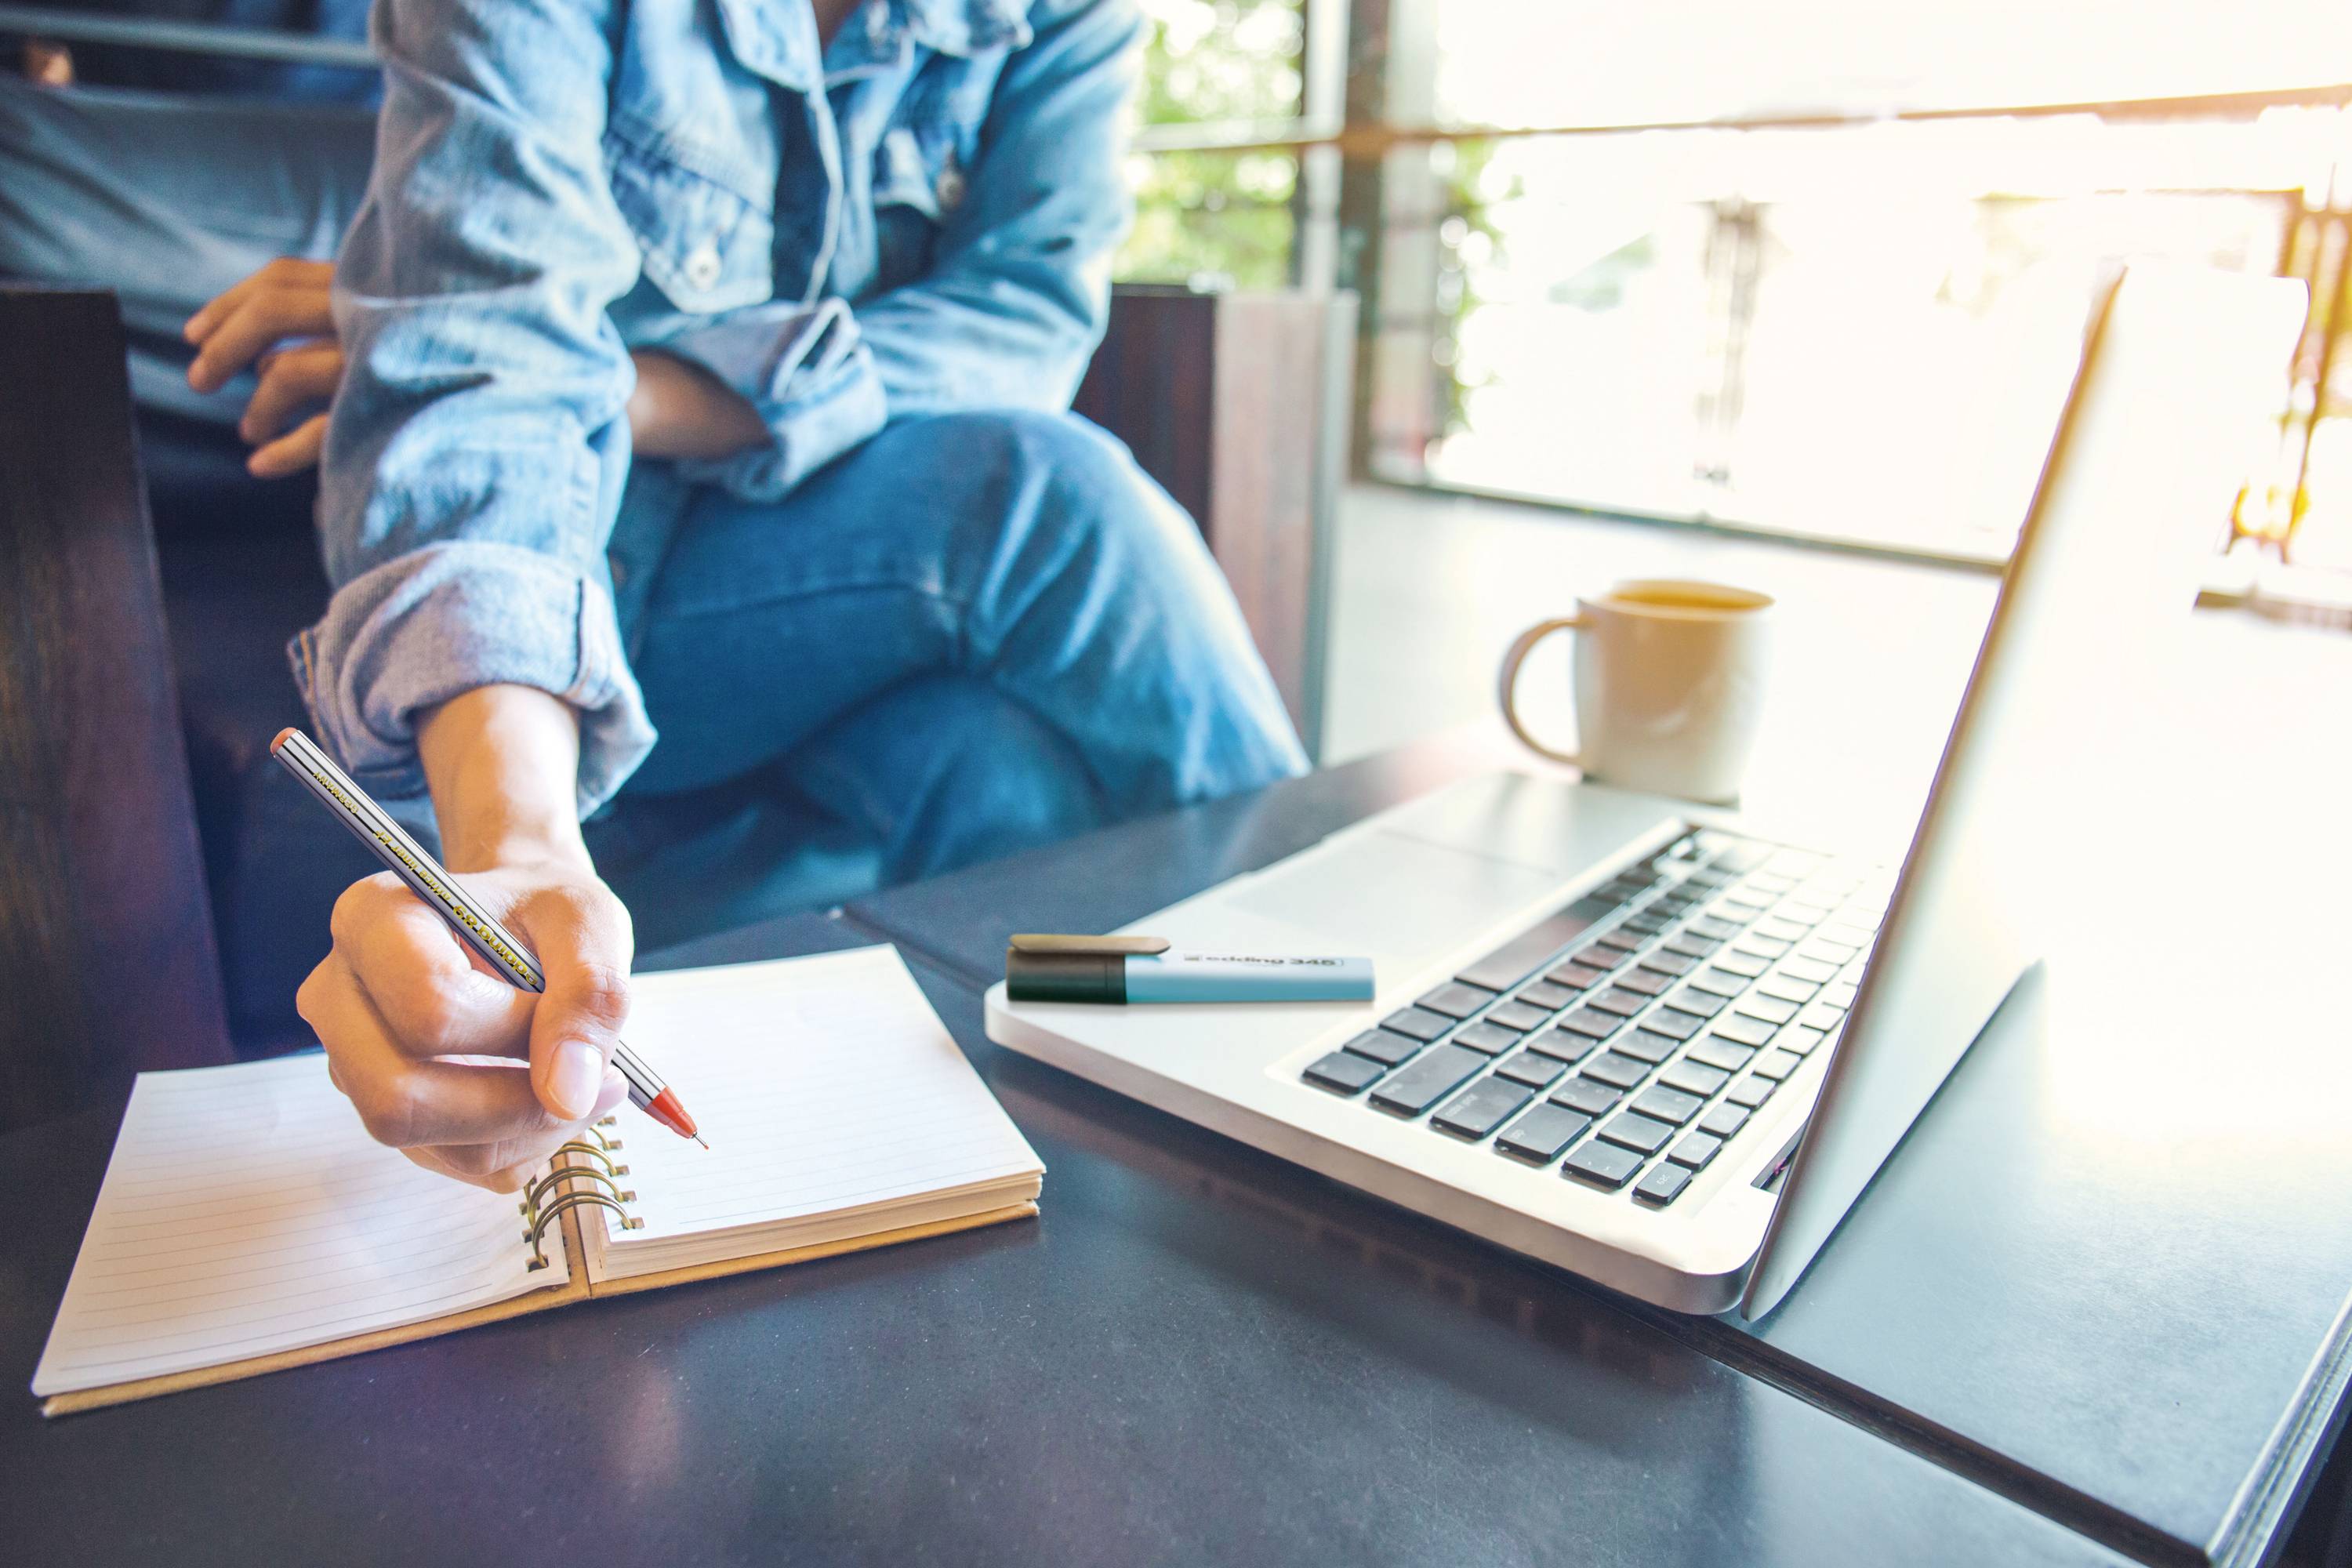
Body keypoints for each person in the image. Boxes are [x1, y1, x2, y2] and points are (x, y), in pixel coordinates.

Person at [0, 0, 1306, 1191]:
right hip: (606, 580)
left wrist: (618, 388)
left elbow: (1018, 327)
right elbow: (488, 388)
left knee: (989, 764)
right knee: (1048, 500)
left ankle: (1165, 1165)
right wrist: (516, 846)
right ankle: (1331, 993)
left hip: (822, 566)